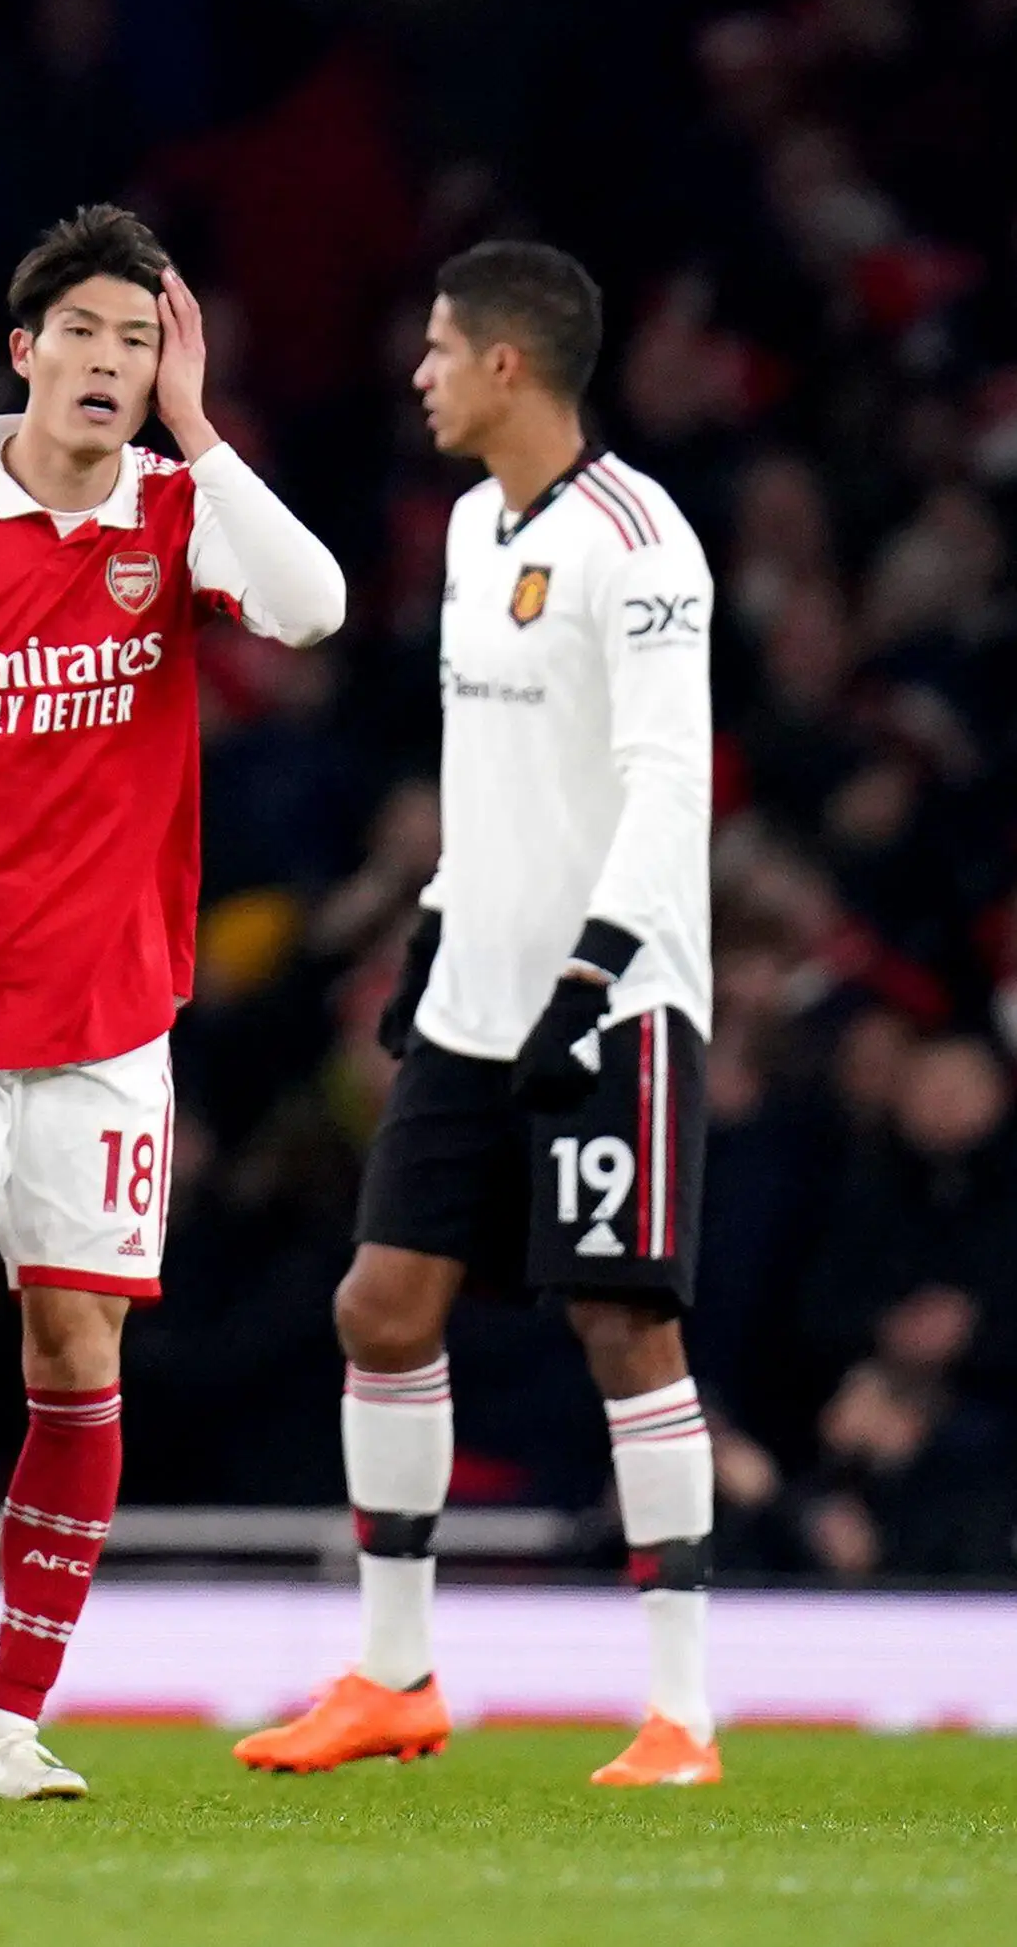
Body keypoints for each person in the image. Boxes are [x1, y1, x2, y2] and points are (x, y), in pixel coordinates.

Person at [0, 207, 346, 1799]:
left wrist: (205, 434)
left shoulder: (179, 515)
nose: (110, 361)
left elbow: (312, 611)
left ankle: (15, 1717)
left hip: (106, 1019)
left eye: (139, 339)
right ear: (22, 352)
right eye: (84, 334)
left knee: (81, 1357)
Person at [236, 241, 722, 1787]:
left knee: (623, 1324)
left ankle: (684, 1710)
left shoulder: (643, 543)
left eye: (441, 348)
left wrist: (589, 972)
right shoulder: (462, 527)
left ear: (511, 364)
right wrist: (444, 920)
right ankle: (395, 1674)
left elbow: (666, 782)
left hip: (614, 996)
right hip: (473, 1000)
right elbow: (495, 768)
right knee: (379, 1308)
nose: (421, 372)